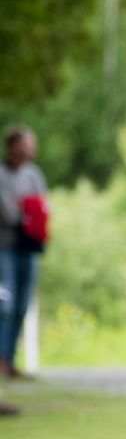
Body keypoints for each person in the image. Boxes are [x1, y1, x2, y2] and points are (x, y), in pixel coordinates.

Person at [1, 124, 48, 381]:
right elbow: (8, 214)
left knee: (22, 305)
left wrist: (29, 211)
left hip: (29, 247)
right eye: (28, 143)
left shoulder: (34, 175)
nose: (32, 148)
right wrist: (26, 211)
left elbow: (42, 205)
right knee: (5, 304)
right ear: (14, 145)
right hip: (5, 247)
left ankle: (9, 359)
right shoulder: (2, 176)